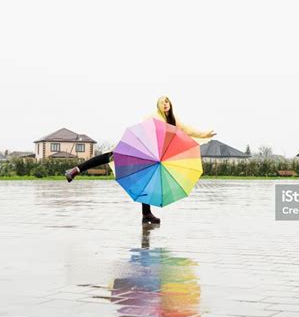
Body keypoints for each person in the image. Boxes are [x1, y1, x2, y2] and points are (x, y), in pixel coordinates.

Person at [65, 95, 216, 224]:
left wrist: (204, 134)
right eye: (163, 101)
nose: (165, 104)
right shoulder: (154, 117)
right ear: (158, 105)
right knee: (109, 156)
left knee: (148, 177)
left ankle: (146, 214)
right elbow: (144, 131)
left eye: (167, 101)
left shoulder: (173, 120)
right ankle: (75, 170)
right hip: (140, 148)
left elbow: (188, 130)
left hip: (153, 154)